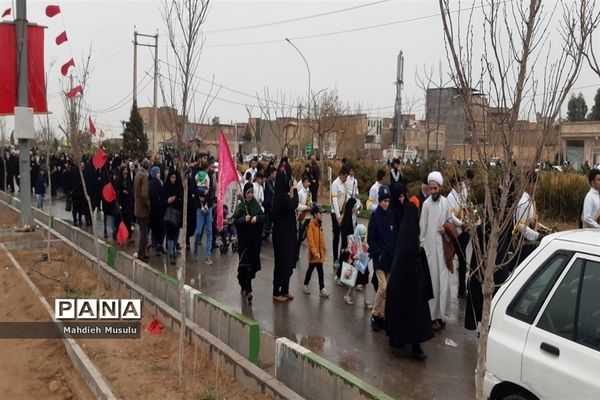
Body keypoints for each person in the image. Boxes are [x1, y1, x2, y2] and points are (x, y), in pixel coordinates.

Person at [386, 198, 434, 360]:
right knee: (415, 314)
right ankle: (415, 346)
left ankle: (398, 339)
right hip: (411, 284)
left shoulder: (404, 230)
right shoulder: (411, 233)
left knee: (400, 310)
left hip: (400, 284)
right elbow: (411, 253)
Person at [420, 171, 453, 330]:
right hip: (430, 251)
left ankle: (441, 316)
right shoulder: (426, 204)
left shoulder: (446, 203)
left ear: (440, 187)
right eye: (431, 188)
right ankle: (431, 317)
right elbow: (422, 228)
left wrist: (445, 228)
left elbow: (450, 221)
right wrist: (422, 249)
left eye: (435, 188)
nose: (433, 191)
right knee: (432, 284)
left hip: (443, 249)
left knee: (444, 284)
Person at [367, 185, 395, 332]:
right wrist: (378, 253)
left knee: (387, 289)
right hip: (379, 258)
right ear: (379, 201)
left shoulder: (391, 215)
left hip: (390, 259)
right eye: (384, 201)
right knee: (382, 287)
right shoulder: (374, 217)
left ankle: (381, 316)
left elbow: (394, 236)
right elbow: (370, 239)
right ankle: (374, 314)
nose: (386, 203)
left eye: (388, 201)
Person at [233, 182, 266, 305]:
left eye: (252, 192)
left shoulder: (255, 205)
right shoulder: (241, 206)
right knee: (245, 265)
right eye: (248, 193)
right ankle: (249, 291)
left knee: (250, 267)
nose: (250, 195)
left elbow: (263, 217)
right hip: (244, 242)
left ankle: (244, 284)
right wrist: (244, 219)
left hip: (254, 242)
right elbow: (235, 221)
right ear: (245, 194)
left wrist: (256, 218)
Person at [272, 170, 299, 302]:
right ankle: (276, 292)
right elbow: (294, 204)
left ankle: (285, 289)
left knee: (287, 262)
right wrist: (296, 190)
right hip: (282, 236)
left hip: (288, 235)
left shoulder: (283, 195)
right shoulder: (280, 197)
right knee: (281, 263)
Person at [447, 176, 469, 298]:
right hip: (455, 234)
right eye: (459, 184)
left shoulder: (459, 196)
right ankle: (460, 289)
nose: (461, 187)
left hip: (461, 233)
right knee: (456, 259)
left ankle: (462, 289)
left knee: (462, 260)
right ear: (454, 185)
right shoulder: (451, 196)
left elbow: (461, 212)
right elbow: (451, 216)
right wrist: (461, 223)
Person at [340, 224, 370, 307]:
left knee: (364, 283)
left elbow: (366, 251)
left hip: (363, 265)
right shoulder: (354, 243)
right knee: (353, 282)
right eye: (362, 235)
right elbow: (350, 254)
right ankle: (347, 295)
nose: (363, 237)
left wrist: (366, 253)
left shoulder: (365, 243)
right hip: (356, 265)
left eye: (364, 235)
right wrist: (354, 256)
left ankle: (366, 301)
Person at [303, 204, 329, 298]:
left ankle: (322, 288)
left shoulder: (319, 225)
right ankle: (306, 284)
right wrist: (315, 252)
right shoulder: (311, 226)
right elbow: (311, 242)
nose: (321, 215)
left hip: (319, 254)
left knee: (320, 271)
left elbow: (321, 240)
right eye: (319, 213)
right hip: (314, 255)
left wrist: (323, 250)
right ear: (314, 214)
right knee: (310, 270)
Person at [330, 165, 350, 268]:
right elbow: (334, 202)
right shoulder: (335, 184)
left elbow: (346, 197)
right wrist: (338, 217)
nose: (346, 179)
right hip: (335, 214)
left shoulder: (344, 184)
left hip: (343, 214)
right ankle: (335, 259)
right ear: (341, 174)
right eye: (345, 176)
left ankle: (343, 258)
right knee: (336, 237)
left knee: (344, 237)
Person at [162, 170, 183, 265]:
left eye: (174, 178)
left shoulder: (179, 187)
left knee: (176, 233)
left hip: (177, 214)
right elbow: (161, 200)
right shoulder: (166, 187)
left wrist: (177, 199)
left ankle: (173, 248)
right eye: (171, 178)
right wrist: (167, 201)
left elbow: (182, 198)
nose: (173, 180)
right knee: (170, 234)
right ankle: (171, 253)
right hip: (168, 214)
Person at [133, 159, 151, 262]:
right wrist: (148, 204)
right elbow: (144, 194)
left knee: (142, 230)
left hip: (137, 205)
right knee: (143, 232)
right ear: (148, 166)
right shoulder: (144, 176)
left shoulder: (138, 173)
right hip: (142, 208)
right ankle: (141, 253)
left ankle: (142, 251)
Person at [296, 176, 313, 263]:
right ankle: (296, 254)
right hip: (302, 216)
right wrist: (306, 207)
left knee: (309, 236)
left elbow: (311, 202)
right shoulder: (300, 193)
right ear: (302, 183)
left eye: (308, 182)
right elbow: (297, 205)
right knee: (300, 237)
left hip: (309, 217)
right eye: (305, 182)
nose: (307, 183)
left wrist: (311, 207)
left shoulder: (309, 192)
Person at [149, 166, 165, 256]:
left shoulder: (161, 182)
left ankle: (159, 245)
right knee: (156, 229)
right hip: (155, 210)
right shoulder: (152, 184)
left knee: (161, 229)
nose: (159, 174)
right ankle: (156, 246)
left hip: (160, 210)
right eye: (158, 172)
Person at [262, 167, 276, 240]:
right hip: (268, 203)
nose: (275, 175)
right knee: (269, 219)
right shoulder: (268, 181)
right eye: (274, 174)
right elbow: (272, 191)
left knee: (270, 219)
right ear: (271, 174)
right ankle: (266, 232)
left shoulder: (273, 180)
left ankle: (267, 232)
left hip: (271, 202)